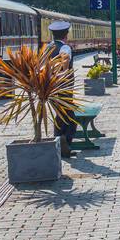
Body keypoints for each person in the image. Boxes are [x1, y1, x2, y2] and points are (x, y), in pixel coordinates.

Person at [47, 20, 76, 159]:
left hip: (50, 88)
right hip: (64, 88)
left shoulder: (48, 47)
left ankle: (60, 143)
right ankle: (64, 142)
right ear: (66, 35)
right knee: (70, 117)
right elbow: (64, 66)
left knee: (60, 115)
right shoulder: (65, 49)